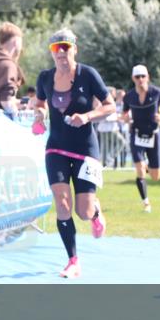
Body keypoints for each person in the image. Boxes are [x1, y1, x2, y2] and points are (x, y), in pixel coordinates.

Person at [34, 29, 115, 278]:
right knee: (62, 203)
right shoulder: (45, 78)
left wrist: (87, 116)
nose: (60, 53)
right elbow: (39, 102)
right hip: (56, 147)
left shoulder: (88, 75)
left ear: (74, 49)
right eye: (56, 48)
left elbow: (110, 105)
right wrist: (39, 115)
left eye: (65, 47)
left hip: (85, 149)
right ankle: (73, 260)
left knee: (83, 211)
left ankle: (95, 212)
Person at [119, 64, 160, 212]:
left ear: (148, 77)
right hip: (137, 134)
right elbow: (124, 114)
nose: (140, 79)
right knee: (139, 169)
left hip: (153, 135)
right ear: (133, 78)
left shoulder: (157, 93)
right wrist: (125, 118)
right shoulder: (129, 96)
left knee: (155, 176)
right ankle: (146, 202)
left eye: (143, 76)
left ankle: (148, 166)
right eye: (137, 77)